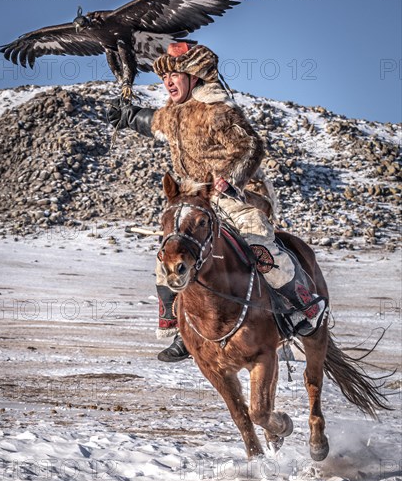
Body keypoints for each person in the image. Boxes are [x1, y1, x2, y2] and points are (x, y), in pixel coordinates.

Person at [108, 43, 327, 362]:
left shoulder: (216, 111)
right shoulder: (171, 113)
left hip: (237, 193)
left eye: (175, 74)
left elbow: (252, 146)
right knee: (168, 254)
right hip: (196, 197)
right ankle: (180, 330)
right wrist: (128, 117)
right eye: (164, 76)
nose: (168, 81)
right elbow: (153, 124)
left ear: (193, 76)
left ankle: (302, 308)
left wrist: (232, 179)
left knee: (259, 247)